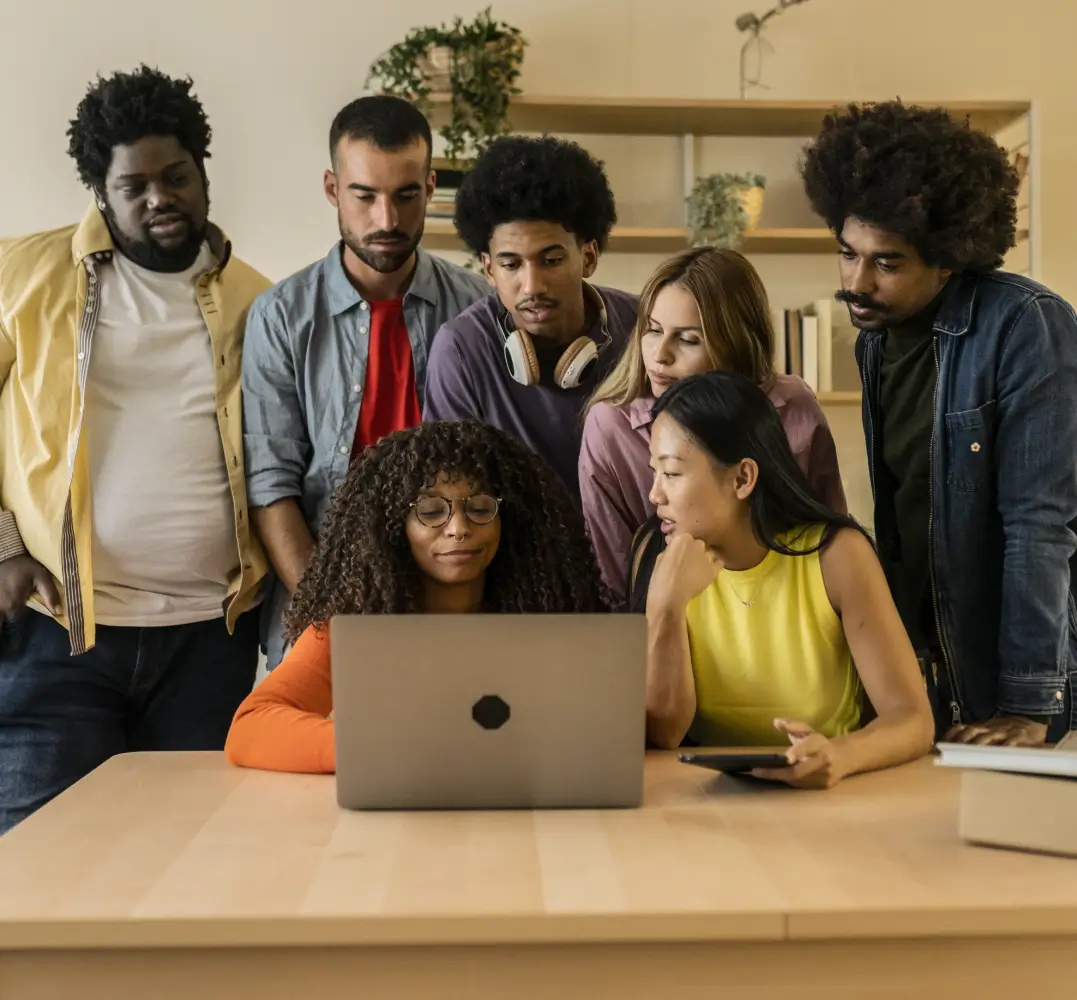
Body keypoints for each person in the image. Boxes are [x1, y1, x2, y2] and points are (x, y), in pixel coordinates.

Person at [0, 66, 270, 834]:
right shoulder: (20, 277)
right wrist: (1, 545)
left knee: (185, 879)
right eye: (134, 185)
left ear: (202, 171)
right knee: (34, 879)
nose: (160, 198)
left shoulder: (260, 299)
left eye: (176, 175)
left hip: (210, 644)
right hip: (58, 640)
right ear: (100, 192)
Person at [800, 100, 1077, 745]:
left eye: (887, 262)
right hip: (929, 677)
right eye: (848, 254)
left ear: (949, 257)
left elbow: (1041, 525)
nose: (857, 282)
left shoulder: (1025, 326)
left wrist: (1030, 706)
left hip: (1012, 685)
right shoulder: (878, 337)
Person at [243, 95, 487, 670]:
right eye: (364, 196)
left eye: (405, 195)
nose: (387, 220)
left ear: (431, 186)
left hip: (458, 611)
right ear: (332, 189)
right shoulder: (280, 316)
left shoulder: (477, 308)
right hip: (324, 611)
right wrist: (330, 621)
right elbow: (270, 483)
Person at [225, 420, 608, 774]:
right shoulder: (353, 626)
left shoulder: (546, 618)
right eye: (431, 511)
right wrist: (381, 750)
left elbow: (601, 727)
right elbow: (251, 725)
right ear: (393, 527)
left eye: (479, 509)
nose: (458, 529)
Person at [633, 371, 934, 788]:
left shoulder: (836, 555)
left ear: (742, 479)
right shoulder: (660, 556)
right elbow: (665, 735)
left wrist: (839, 757)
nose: (654, 495)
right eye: (654, 472)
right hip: (702, 801)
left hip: (831, 799)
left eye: (671, 474)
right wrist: (665, 607)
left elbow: (913, 719)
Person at [582, 246, 847, 606]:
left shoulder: (793, 405)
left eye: (688, 339)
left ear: (736, 343)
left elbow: (830, 539)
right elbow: (614, 582)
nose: (660, 356)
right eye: (653, 331)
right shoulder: (611, 425)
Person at [422, 136, 639, 497]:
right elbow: (452, 495)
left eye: (551, 260)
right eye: (511, 265)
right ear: (489, 270)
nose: (532, 286)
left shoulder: (643, 327)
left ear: (588, 257)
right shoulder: (461, 349)